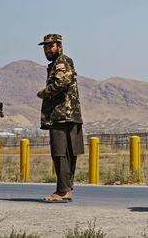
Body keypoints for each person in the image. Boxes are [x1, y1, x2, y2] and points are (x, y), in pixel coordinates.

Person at [37, 34, 84, 203]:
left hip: (61, 115)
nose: (47, 50)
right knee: (69, 153)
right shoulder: (60, 63)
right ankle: (66, 189)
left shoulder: (62, 62)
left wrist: (44, 92)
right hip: (69, 115)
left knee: (60, 153)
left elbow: (61, 83)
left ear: (59, 46)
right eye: (45, 47)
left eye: (51, 46)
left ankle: (62, 191)